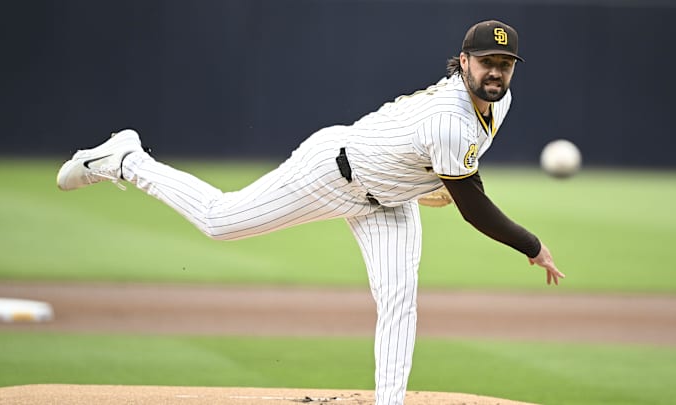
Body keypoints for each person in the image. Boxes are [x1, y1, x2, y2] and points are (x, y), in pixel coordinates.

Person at [57, 19, 564, 405]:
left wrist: (432, 182)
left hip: (388, 200)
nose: (496, 71)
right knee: (220, 221)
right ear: (463, 61)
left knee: (399, 301)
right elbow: (474, 206)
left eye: (505, 63)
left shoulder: (500, 99)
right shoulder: (450, 118)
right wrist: (532, 245)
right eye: (486, 61)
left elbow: (458, 174)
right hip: (333, 170)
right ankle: (127, 159)